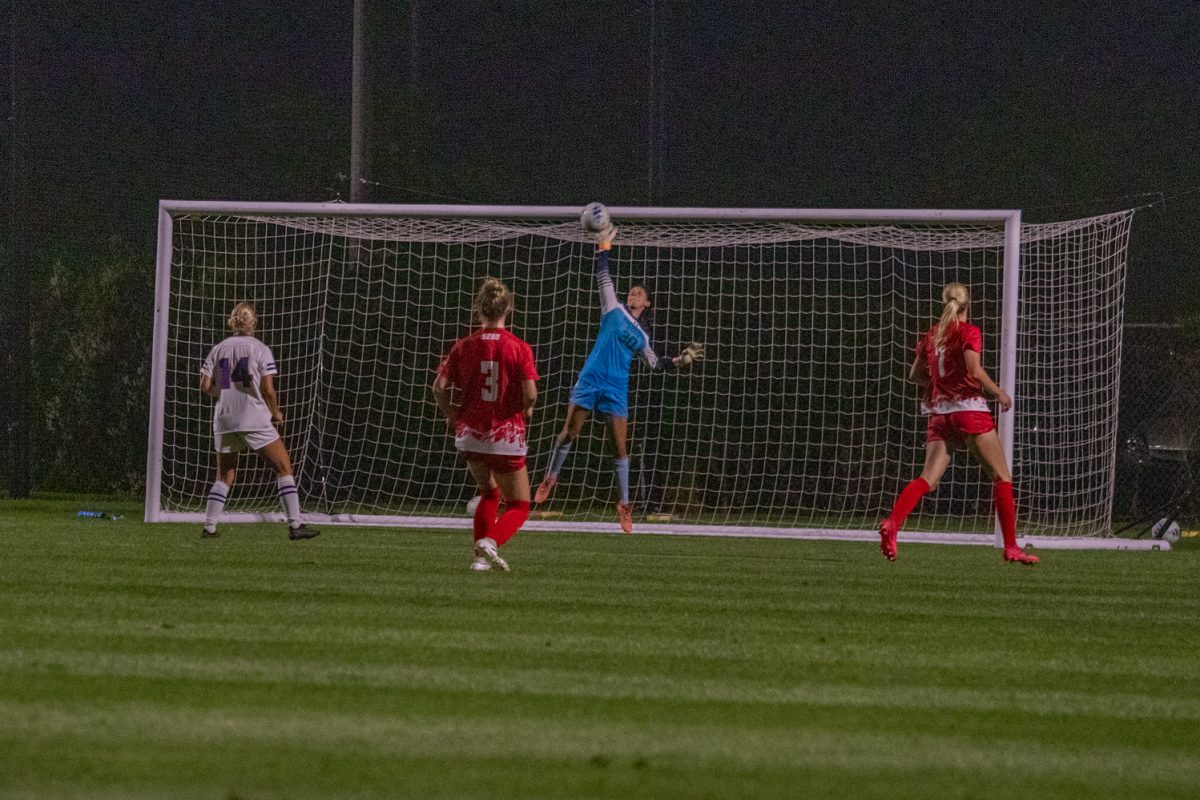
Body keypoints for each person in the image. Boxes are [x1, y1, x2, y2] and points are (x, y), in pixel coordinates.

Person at [534, 226, 704, 533]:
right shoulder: (612, 307)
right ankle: (550, 477)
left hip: (615, 389)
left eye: (640, 293)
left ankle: (625, 505)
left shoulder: (642, 336)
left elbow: (655, 364)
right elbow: (603, 273)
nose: (634, 293)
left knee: (619, 449)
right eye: (632, 291)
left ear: (647, 304)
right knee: (569, 433)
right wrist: (605, 243)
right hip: (590, 379)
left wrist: (680, 360)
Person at [879, 282, 1038, 564]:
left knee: (927, 479)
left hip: (940, 413)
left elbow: (915, 376)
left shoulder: (931, 335)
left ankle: (893, 522)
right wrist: (998, 392)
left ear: (945, 303)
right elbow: (975, 371)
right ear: (968, 305)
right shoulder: (969, 332)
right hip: (969, 410)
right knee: (1002, 477)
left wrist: (942, 383)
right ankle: (1011, 547)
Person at [432, 277, 539, 571]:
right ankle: (490, 541)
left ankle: (480, 561)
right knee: (519, 504)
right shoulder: (519, 347)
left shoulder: (463, 346)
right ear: (508, 309)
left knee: (488, 492)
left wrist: (452, 413)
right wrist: (526, 408)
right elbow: (531, 394)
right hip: (504, 433)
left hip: (469, 434)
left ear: (479, 309)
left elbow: (438, 388)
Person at [198, 302, 319, 540]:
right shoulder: (260, 348)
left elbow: (204, 386)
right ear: (253, 322)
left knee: (224, 474)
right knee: (283, 466)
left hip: (224, 418)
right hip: (252, 416)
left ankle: (209, 527)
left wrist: (224, 394)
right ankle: (295, 525)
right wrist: (276, 412)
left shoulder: (219, 348)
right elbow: (267, 388)